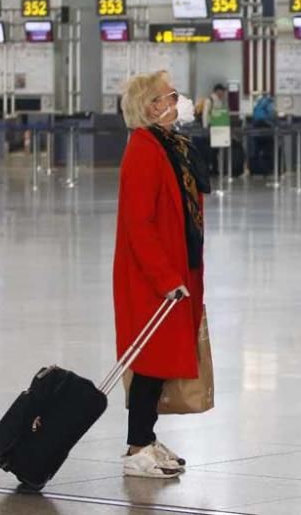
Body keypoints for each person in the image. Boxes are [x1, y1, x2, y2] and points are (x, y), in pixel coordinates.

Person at [114, 71, 211, 479]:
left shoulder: (166, 145)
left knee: (162, 359)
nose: (179, 100)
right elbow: (139, 222)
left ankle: (147, 439)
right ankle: (137, 446)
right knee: (150, 362)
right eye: (171, 95)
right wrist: (164, 276)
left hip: (175, 267)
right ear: (153, 106)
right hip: (153, 277)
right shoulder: (143, 149)